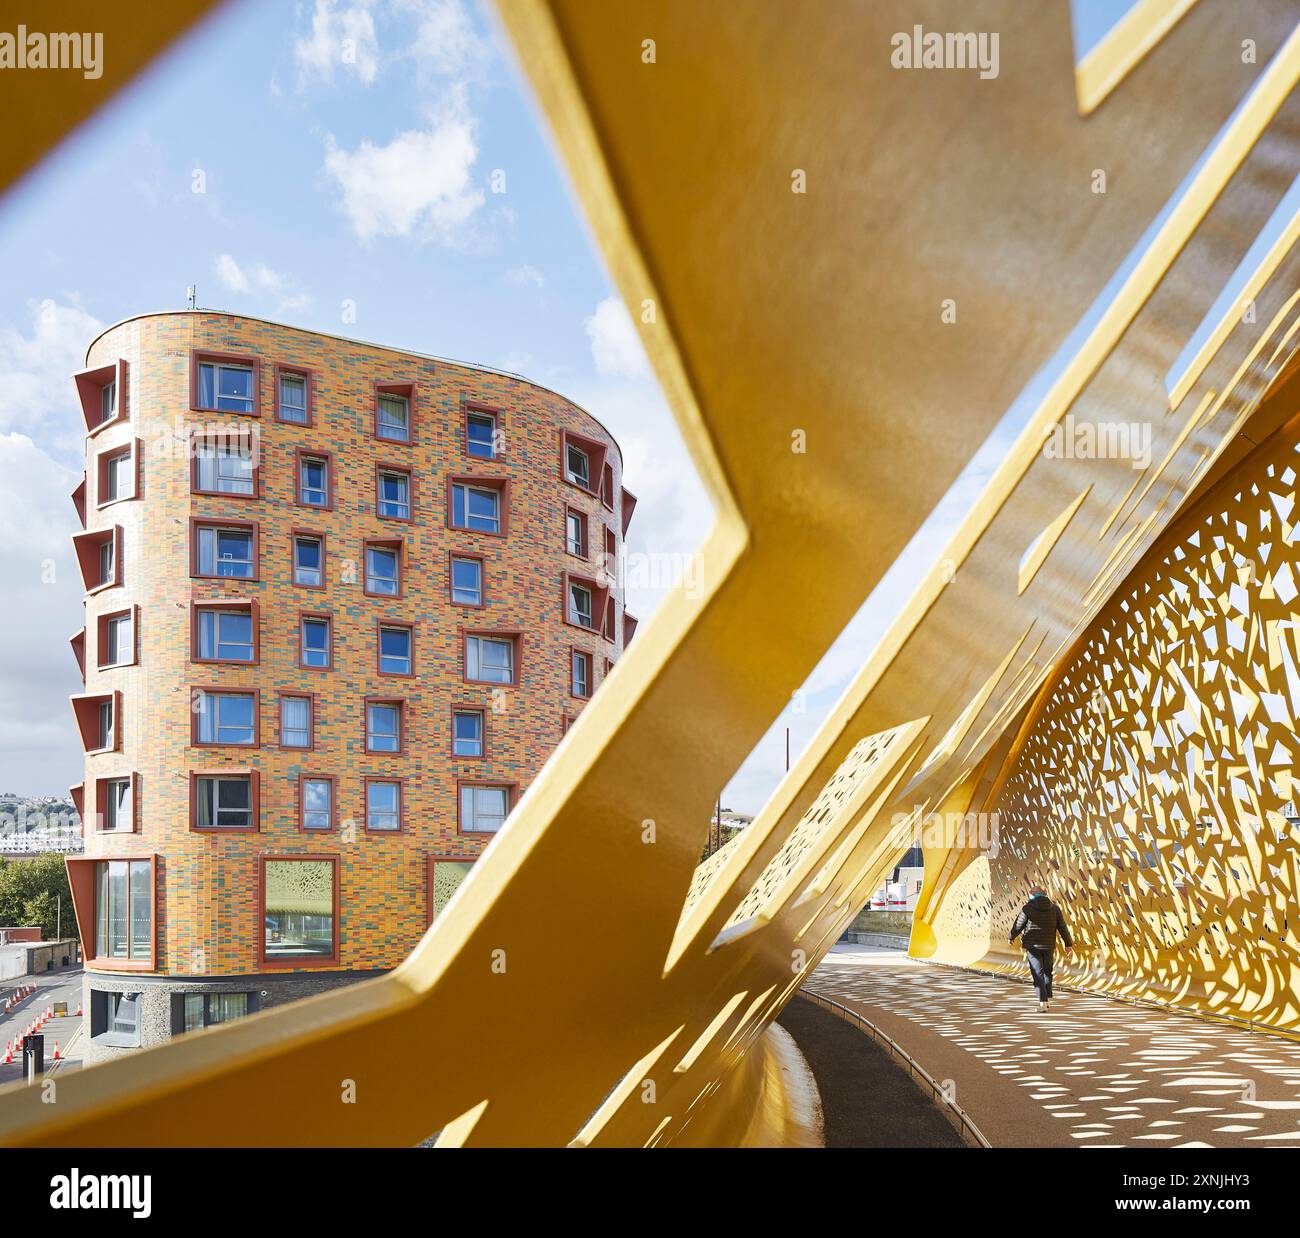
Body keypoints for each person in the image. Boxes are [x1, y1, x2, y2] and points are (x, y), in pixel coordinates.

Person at [1008, 885, 1072, 1011]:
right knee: (1047, 971)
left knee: (1037, 973)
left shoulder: (1027, 908)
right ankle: (1047, 999)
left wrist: (1011, 937)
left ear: (1032, 895)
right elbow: (1063, 928)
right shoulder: (1055, 909)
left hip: (1032, 946)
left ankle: (1043, 1002)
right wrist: (1068, 944)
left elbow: (1018, 924)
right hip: (1048, 945)